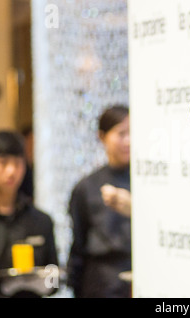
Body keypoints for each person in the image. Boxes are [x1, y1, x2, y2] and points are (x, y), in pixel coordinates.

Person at [0, 131, 58, 297]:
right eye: (3, 163)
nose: (12, 171)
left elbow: (54, 281)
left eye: (18, 163)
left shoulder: (42, 220)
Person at [67, 105, 131, 298]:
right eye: (121, 134)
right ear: (102, 136)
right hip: (101, 284)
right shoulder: (86, 187)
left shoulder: (147, 180)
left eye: (132, 132)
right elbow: (79, 244)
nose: (128, 141)